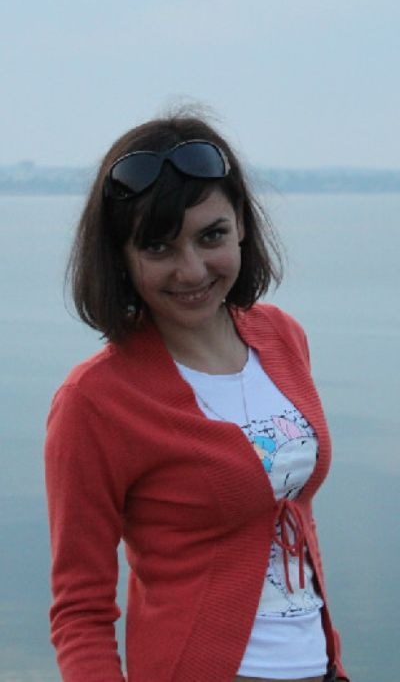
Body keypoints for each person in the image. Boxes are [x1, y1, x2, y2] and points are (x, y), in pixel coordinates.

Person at [45, 111, 349, 682]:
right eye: (158, 247)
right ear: (120, 257)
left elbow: (290, 512)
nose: (192, 271)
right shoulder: (95, 400)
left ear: (242, 227)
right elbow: (80, 610)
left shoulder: (283, 338)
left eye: (211, 236)